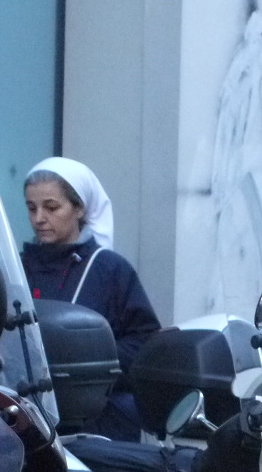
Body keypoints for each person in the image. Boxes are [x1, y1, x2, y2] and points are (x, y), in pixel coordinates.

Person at [22, 158, 160, 439]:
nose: (39, 218)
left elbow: (145, 343)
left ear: (80, 209)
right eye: (32, 208)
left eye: (51, 207)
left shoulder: (108, 269)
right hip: (29, 420)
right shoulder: (17, 269)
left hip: (97, 423)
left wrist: (88, 361)